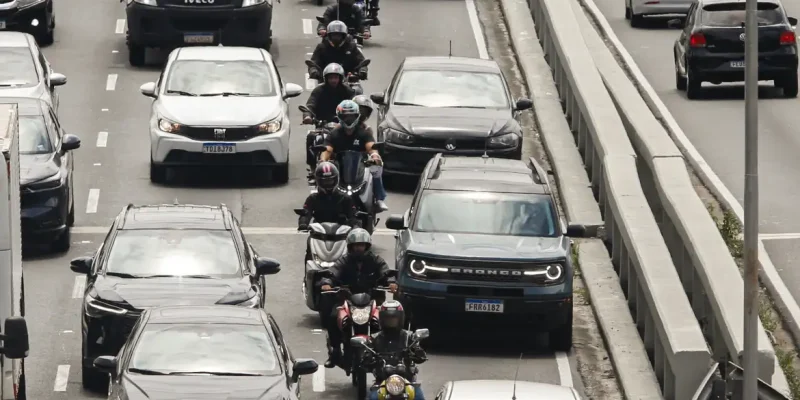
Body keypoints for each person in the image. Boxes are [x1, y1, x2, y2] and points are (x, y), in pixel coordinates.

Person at [318, 228, 397, 368]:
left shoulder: (376, 260)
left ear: (367, 246)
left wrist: (391, 282)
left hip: (372, 300)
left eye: (361, 245)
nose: (359, 248)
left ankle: (389, 352)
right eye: (356, 245)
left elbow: (386, 271)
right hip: (347, 299)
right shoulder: (344, 261)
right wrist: (327, 283)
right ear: (350, 246)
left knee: (389, 318)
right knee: (332, 317)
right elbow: (333, 272)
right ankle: (335, 352)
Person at [320, 100, 389, 212]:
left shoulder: (364, 132)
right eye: (345, 116)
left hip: (361, 166)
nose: (349, 119)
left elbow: (371, 147)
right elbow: (327, 150)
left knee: (376, 168)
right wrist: (323, 160)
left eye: (352, 116)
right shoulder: (334, 134)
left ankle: (379, 199)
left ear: (357, 116)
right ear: (340, 117)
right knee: (323, 172)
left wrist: (375, 156)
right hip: (339, 168)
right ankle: (321, 202)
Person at [362, 301, 427, 400]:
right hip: (382, 382)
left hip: (407, 381)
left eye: (394, 318)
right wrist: (367, 358)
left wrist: (417, 352)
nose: (391, 321)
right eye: (388, 318)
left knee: (418, 397)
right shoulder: (375, 338)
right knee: (373, 398)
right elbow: (365, 361)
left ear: (400, 318)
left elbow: (421, 357)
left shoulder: (408, 336)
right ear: (382, 319)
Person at [298, 162, 361, 258]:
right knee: (309, 244)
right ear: (319, 181)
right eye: (325, 182)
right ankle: (309, 270)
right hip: (319, 234)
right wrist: (303, 223)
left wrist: (355, 226)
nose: (328, 184)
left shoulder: (345, 198)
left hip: (341, 235)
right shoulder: (313, 198)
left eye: (330, 181)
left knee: (355, 252)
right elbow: (306, 213)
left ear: (336, 180)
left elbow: (353, 215)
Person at [303, 64, 356, 172]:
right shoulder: (319, 90)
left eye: (336, 77)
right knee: (311, 137)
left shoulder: (347, 91)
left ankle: (359, 165)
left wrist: (354, 118)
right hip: (322, 124)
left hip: (343, 124)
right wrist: (308, 116)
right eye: (331, 78)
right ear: (326, 78)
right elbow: (311, 105)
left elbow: (355, 105)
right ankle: (313, 168)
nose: (333, 80)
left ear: (340, 78)